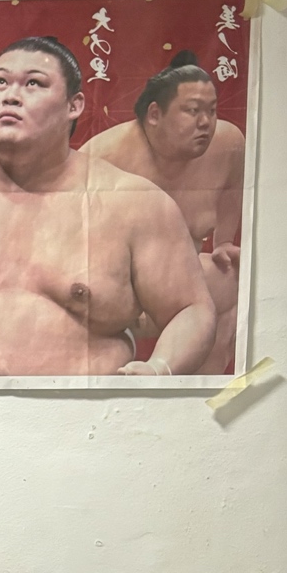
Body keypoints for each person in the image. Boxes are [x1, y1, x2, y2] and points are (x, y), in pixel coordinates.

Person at [0, 37, 217, 376]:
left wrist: (158, 370)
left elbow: (190, 309)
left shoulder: (134, 204)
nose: (11, 96)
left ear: (74, 105)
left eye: (33, 83)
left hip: (89, 406)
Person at [82, 52, 244, 374]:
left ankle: (199, 396)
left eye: (211, 111)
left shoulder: (228, 143)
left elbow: (231, 191)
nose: (205, 123)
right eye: (192, 111)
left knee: (229, 279)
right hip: (112, 288)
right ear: (154, 114)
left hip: (185, 287)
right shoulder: (101, 158)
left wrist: (224, 242)